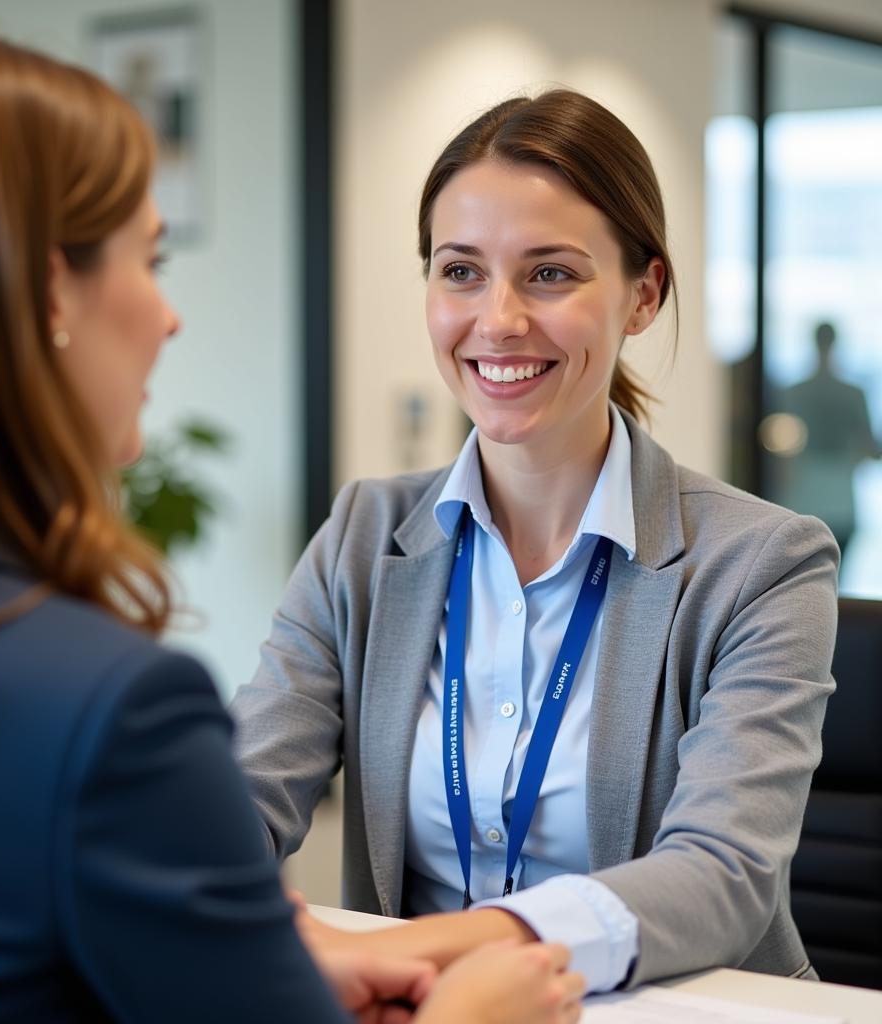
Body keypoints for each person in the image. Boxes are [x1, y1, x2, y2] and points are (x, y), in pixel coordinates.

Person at [0, 21, 585, 1024]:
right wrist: (476, 1011)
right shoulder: (112, 706)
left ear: (642, 293)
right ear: (46, 294)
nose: (168, 317)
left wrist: (240, 959)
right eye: (147, 260)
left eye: (550, 272)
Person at [230, 90, 840, 993]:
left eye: (551, 273)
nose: (500, 320)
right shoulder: (364, 535)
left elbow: (724, 873)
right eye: (461, 271)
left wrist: (428, 952)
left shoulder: (762, 563)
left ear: (644, 294)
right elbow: (242, 790)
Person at [773, 320, 881, 559]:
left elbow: (781, 447)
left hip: (805, 494)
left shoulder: (794, 393)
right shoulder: (852, 394)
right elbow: (869, 446)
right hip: (838, 494)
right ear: (834, 344)